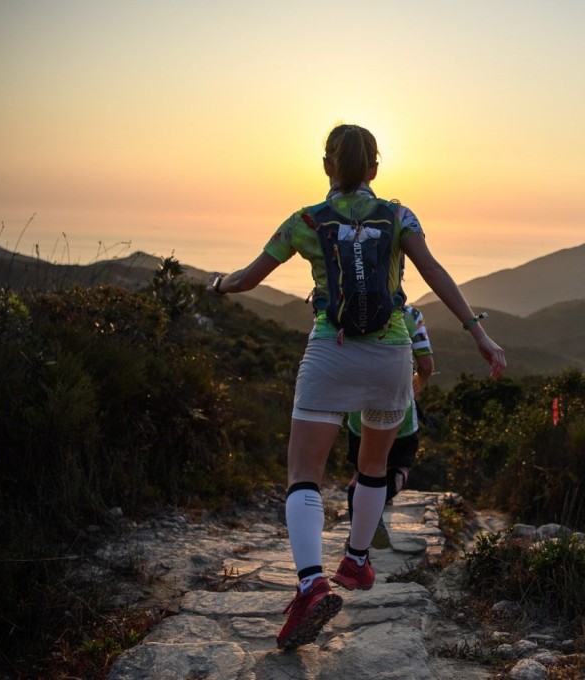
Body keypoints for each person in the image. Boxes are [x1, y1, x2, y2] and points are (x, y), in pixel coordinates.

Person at [206, 123, 506, 651]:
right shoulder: (398, 215)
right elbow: (433, 272)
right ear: (374, 168)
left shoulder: (304, 221)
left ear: (327, 167)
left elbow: (249, 278)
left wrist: (219, 285)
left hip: (331, 352)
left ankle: (309, 585)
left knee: (304, 472)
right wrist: (478, 334)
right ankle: (358, 560)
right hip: (391, 357)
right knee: (372, 467)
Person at [345, 304, 434, 549]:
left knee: (361, 472)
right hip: (399, 411)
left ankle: (357, 533)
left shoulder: (347, 309)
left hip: (358, 410)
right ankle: (372, 517)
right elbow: (426, 366)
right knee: (400, 468)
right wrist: (419, 383)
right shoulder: (410, 315)